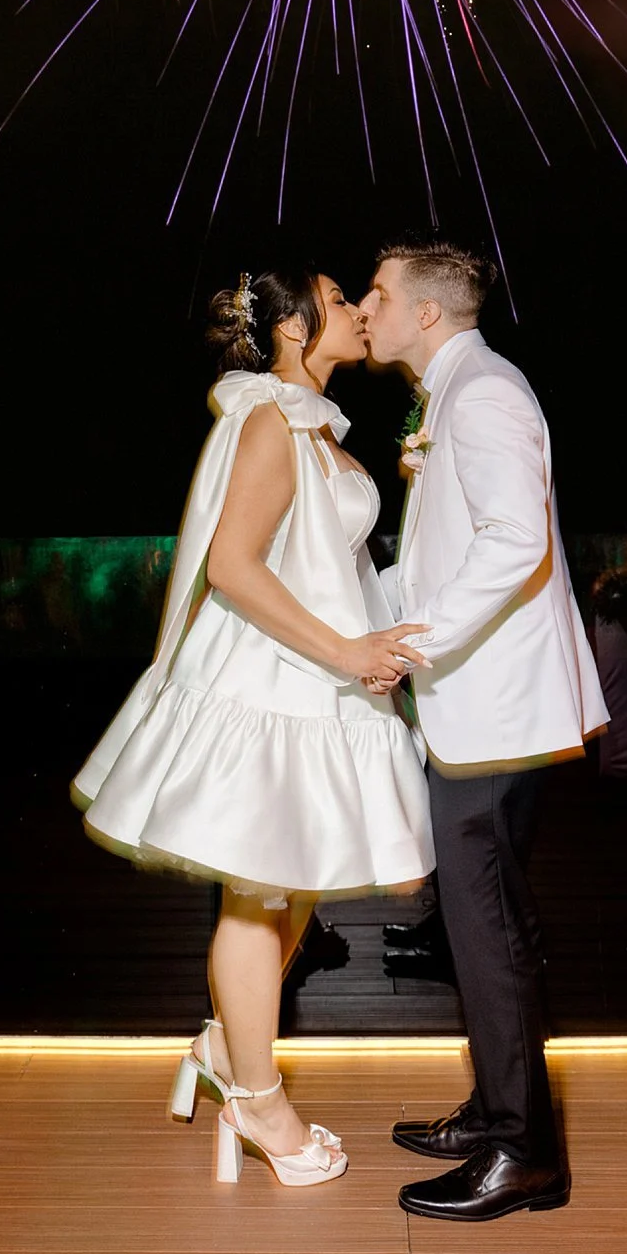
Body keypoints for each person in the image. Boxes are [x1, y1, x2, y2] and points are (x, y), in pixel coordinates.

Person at [72, 268, 434, 1188]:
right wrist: (346, 651)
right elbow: (232, 566)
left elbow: (324, 564)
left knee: (295, 883)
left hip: (319, 679)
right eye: (339, 299)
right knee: (258, 893)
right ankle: (259, 1102)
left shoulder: (311, 425)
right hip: (270, 681)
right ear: (291, 329)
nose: (357, 310)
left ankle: (223, 1047)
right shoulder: (270, 419)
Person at [358, 236, 609, 1222]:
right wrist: (355, 614)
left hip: (495, 713)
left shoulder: (485, 392)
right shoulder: (456, 391)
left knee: (486, 927)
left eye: (377, 294)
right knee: (484, 923)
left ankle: (521, 1153)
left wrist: (408, 646)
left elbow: (514, 541)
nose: (366, 309)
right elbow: (440, 558)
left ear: (425, 312)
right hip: (483, 710)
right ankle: (500, 1112)